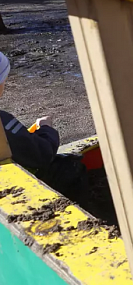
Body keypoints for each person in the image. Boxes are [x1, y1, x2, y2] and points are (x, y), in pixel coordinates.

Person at [0, 52, 87, 197]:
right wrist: (46, 129)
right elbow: (42, 154)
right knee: (70, 168)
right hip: (8, 188)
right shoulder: (3, 122)